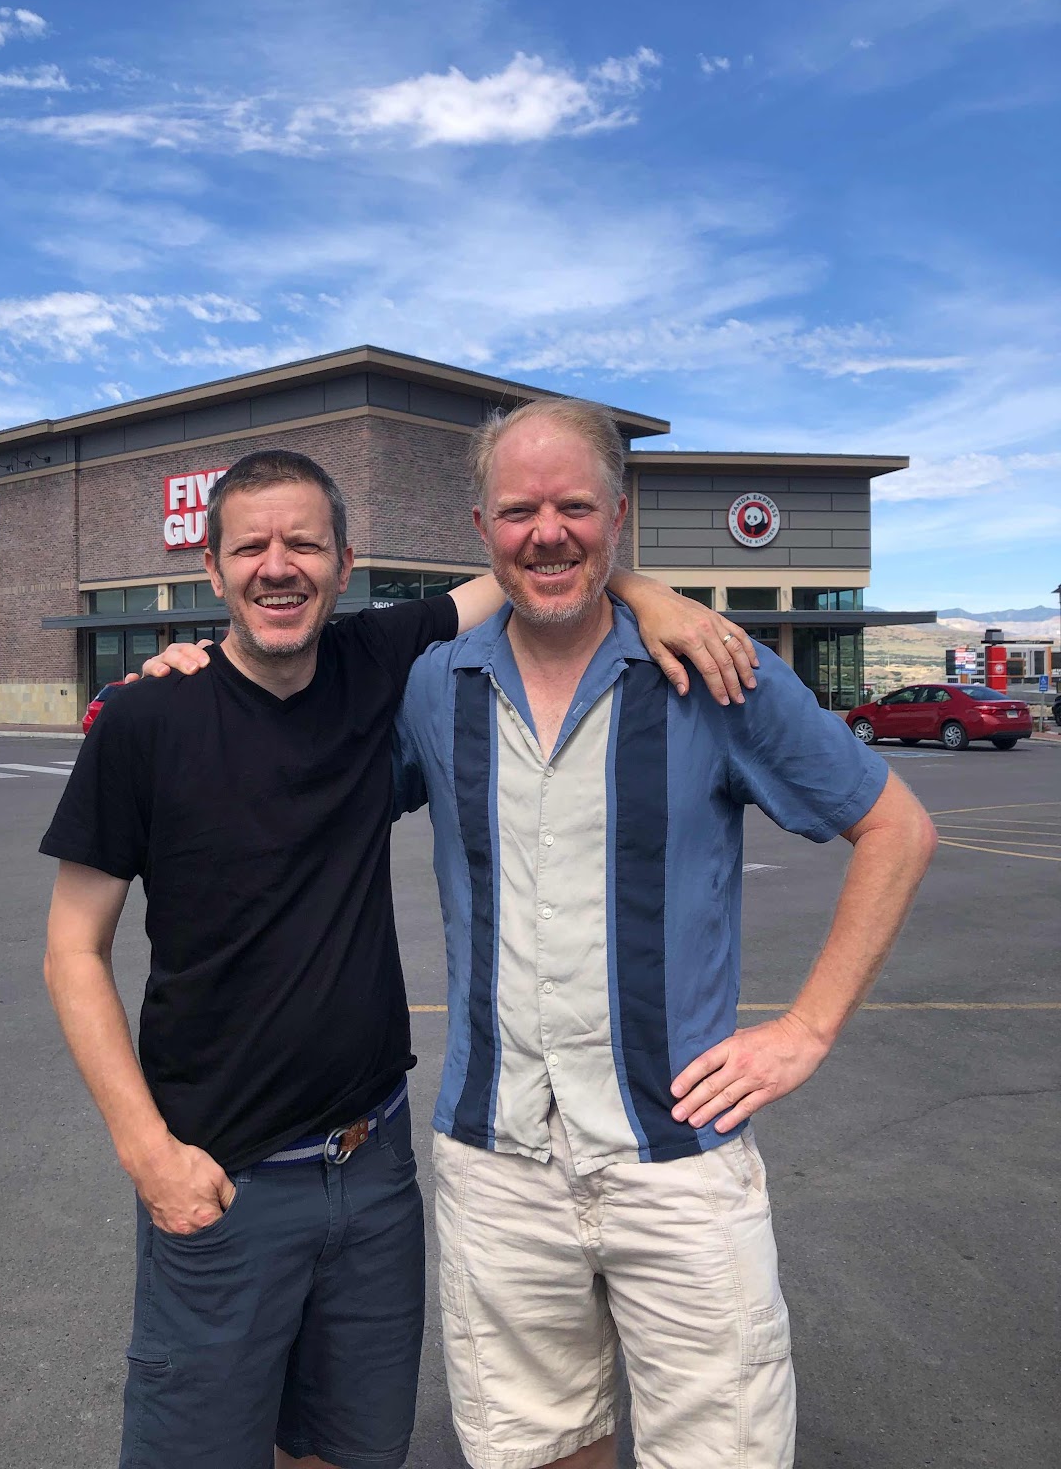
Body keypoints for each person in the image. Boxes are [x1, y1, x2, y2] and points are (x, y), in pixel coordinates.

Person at [41, 444, 759, 1469]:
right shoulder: (147, 720)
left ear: (344, 564)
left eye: (304, 544)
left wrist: (649, 595)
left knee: (348, 1450)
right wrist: (148, 1154)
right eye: (249, 547)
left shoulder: (373, 660)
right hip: (221, 1179)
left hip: (371, 1170)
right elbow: (73, 950)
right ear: (211, 568)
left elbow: (532, 568)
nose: (277, 566)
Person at [390, 398, 938, 1469]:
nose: (547, 532)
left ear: (619, 515)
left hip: (679, 1162)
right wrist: (186, 675)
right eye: (519, 511)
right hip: (498, 1165)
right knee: (538, 1449)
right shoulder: (430, 685)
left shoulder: (714, 670)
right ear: (482, 528)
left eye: (574, 506)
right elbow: (291, 721)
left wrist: (808, 1028)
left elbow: (897, 828)